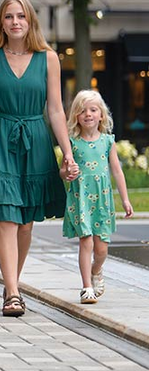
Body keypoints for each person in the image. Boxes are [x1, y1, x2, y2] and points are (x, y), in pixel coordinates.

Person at [0, 0, 79, 317]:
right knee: (8, 218)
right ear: (2, 22)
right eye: (9, 16)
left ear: (30, 21)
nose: (15, 22)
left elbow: (55, 109)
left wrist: (67, 153)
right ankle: (12, 291)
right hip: (1, 138)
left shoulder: (48, 58)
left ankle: (14, 282)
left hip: (36, 140)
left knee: (26, 223)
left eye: (21, 16)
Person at [60, 90, 133, 304]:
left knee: (101, 249)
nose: (88, 114)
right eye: (82, 111)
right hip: (81, 198)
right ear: (76, 116)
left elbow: (117, 171)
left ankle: (96, 270)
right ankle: (86, 287)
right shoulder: (72, 143)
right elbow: (62, 172)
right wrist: (67, 172)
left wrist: (125, 199)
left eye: (93, 110)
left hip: (102, 201)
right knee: (86, 242)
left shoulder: (107, 141)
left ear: (101, 115)